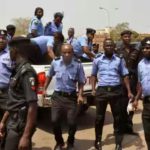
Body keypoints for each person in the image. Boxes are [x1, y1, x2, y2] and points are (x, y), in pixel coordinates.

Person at [91, 38, 133, 150]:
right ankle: (98, 141)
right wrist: (93, 89)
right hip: (102, 91)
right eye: (107, 45)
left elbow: (125, 75)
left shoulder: (119, 60)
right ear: (103, 47)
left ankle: (118, 143)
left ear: (114, 47)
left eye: (111, 45)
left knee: (118, 118)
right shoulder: (97, 59)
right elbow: (93, 75)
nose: (109, 47)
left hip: (116, 90)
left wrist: (129, 91)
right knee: (99, 118)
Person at [43, 43, 86, 150]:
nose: (67, 54)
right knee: (54, 121)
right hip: (57, 96)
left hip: (71, 97)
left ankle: (70, 142)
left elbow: (81, 82)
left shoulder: (78, 65)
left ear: (72, 53)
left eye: (69, 52)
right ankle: (59, 142)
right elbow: (49, 76)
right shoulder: (55, 63)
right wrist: (44, 89)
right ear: (61, 53)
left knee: (72, 122)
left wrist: (80, 95)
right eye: (64, 52)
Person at [0, 37, 38, 150]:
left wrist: (26, 136)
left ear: (15, 50)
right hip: (13, 121)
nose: (9, 53)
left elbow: (33, 105)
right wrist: (3, 122)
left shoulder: (27, 72)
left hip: (20, 125)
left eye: (10, 50)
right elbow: (14, 100)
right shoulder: (17, 70)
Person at [115, 30, 140, 135]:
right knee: (121, 105)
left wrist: (139, 81)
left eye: (129, 37)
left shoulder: (135, 51)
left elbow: (139, 66)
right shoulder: (117, 51)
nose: (127, 38)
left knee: (132, 104)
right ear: (122, 38)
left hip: (133, 80)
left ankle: (129, 127)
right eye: (125, 36)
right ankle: (120, 127)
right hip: (121, 81)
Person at [133, 37, 150, 150]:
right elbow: (140, 84)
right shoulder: (140, 64)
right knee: (148, 132)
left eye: (148, 48)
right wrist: (136, 98)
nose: (145, 50)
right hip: (147, 103)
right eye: (143, 48)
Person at [0, 30, 12, 121]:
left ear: (7, 40)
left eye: (3, 38)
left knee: (7, 118)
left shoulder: (11, 54)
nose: (1, 40)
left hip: (6, 92)